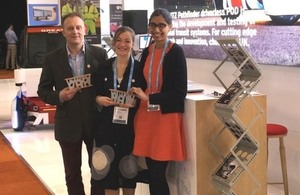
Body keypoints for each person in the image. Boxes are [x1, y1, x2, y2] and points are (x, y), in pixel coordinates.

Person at [37, 12, 108, 195]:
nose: (74, 31)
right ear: (63, 32)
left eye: (78, 27)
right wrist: (59, 95)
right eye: (70, 28)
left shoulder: (100, 54)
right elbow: (43, 91)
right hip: (68, 124)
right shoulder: (52, 58)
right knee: (72, 175)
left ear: (85, 29)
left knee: (99, 172)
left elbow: (107, 85)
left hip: (96, 123)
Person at [130, 8, 187, 195]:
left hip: (164, 119)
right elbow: (141, 81)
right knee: (150, 169)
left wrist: (150, 97)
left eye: (161, 25)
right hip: (146, 116)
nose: (157, 30)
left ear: (169, 27)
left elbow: (179, 92)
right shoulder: (148, 51)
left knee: (157, 172)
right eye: (153, 25)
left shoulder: (176, 52)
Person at [91, 26, 147, 195]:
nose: (123, 45)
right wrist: (99, 99)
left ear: (133, 43)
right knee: (108, 172)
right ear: (114, 43)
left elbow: (145, 96)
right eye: (119, 41)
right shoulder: (103, 67)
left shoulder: (140, 69)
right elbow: (94, 93)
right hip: (106, 128)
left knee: (128, 170)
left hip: (129, 129)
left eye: (127, 41)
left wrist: (135, 102)